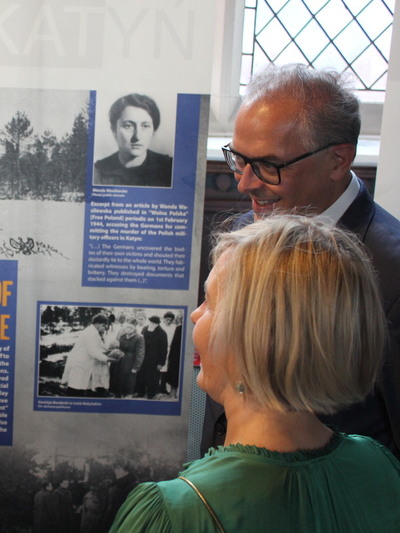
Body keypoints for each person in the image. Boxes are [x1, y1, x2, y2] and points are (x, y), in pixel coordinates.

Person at [111, 215, 400, 532]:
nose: (195, 315)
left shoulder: (175, 512)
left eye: (209, 301)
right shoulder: (378, 467)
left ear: (252, 339)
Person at [203, 64, 400, 457]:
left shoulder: (392, 273)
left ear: (338, 160)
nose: (244, 183)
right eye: (239, 160)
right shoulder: (243, 234)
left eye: (268, 165)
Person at [93, 93, 173, 187]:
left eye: (145, 126)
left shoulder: (169, 169)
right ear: (114, 130)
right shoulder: (97, 171)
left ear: (153, 131)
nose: (137, 136)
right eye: (128, 126)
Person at [61, 314, 111, 397]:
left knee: (80, 388)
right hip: (78, 364)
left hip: (84, 364)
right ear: (97, 323)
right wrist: (107, 359)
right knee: (75, 388)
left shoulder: (94, 333)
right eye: (103, 325)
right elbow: (92, 352)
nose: (104, 328)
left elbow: (100, 346)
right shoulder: (89, 333)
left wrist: (109, 351)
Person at [108, 317, 144, 398]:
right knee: (119, 378)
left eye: (130, 327)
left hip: (130, 362)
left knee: (129, 381)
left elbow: (140, 354)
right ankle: (117, 394)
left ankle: (127, 396)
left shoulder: (139, 338)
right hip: (120, 362)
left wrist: (136, 367)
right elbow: (117, 348)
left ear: (135, 328)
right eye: (127, 327)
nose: (128, 329)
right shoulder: (122, 337)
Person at [135, 316, 167, 399]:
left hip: (154, 360)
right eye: (151, 322)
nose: (152, 324)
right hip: (143, 357)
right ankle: (140, 392)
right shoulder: (145, 329)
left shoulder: (162, 333)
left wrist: (161, 363)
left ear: (157, 323)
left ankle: (151, 393)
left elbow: (164, 349)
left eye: (154, 323)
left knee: (152, 377)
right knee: (141, 375)